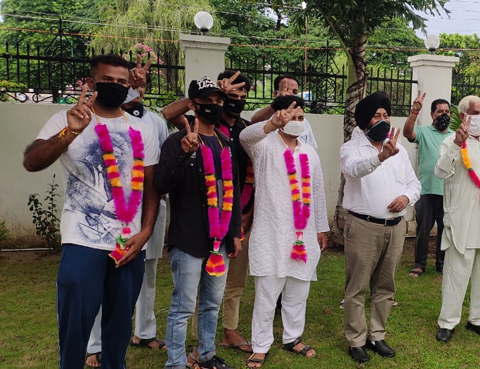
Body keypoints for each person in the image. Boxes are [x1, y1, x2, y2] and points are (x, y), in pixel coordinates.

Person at [23, 54, 160, 369]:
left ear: (129, 87)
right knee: (75, 323)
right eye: (107, 80)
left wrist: (146, 232)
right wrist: (69, 133)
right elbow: (32, 161)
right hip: (82, 241)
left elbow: (151, 186)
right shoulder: (66, 118)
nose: (115, 86)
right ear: (90, 82)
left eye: (121, 82)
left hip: (128, 243)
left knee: (119, 325)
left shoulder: (143, 129)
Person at [162, 70, 256, 356]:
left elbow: (234, 191)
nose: (214, 105)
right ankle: (176, 363)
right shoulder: (178, 141)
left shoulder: (226, 144)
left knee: (212, 304)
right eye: (207, 100)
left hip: (220, 242)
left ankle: (206, 356)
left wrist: (235, 235)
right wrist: (184, 154)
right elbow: (161, 184)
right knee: (183, 307)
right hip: (188, 240)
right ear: (194, 104)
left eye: (218, 99)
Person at [239, 95, 329, 367]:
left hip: (303, 233)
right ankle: (260, 345)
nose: (297, 121)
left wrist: (321, 227)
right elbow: (245, 136)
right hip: (270, 232)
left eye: (301, 118)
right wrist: (270, 123)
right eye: (292, 116)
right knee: (266, 293)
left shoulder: (309, 152)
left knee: (298, 291)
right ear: (279, 116)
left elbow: (318, 192)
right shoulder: (264, 145)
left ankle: (292, 337)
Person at [84, 84, 170, 367]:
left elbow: (155, 174)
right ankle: (95, 346)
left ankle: (144, 332)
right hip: (103, 215)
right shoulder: (93, 119)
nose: (137, 86)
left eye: (141, 83)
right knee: (99, 281)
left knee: (147, 274)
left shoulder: (154, 122)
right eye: (128, 81)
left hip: (145, 214)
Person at [340, 92, 421, 363]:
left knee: (386, 285)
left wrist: (406, 198)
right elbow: (354, 170)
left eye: (386, 115)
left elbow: (414, 184)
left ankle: (377, 335)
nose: (383, 120)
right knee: (358, 286)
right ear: (365, 121)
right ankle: (356, 340)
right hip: (364, 227)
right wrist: (380, 158)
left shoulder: (399, 149)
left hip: (395, 228)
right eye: (377, 116)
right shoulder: (351, 148)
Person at [434, 95, 480, 343]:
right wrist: (455, 144)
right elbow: (440, 172)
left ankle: (478, 320)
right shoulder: (450, 141)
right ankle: (448, 322)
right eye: (477, 112)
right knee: (457, 271)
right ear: (464, 116)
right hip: (462, 218)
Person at [403, 92, 453, 277]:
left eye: (447, 111)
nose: (444, 115)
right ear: (432, 114)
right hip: (427, 190)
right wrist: (414, 112)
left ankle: (442, 264)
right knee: (423, 230)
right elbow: (408, 133)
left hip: (448, 191)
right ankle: (419, 264)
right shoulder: (423, 132)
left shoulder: (455, 136)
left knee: (445, 229)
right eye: (440, 111)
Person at [250, 74, 317, 149]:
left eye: (295, 92)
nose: (291, 94)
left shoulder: (303, 121)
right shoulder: (267, 114)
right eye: (287, 90)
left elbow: (311, 148)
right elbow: (254, 122)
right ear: (275, 93)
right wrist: (276, 104)